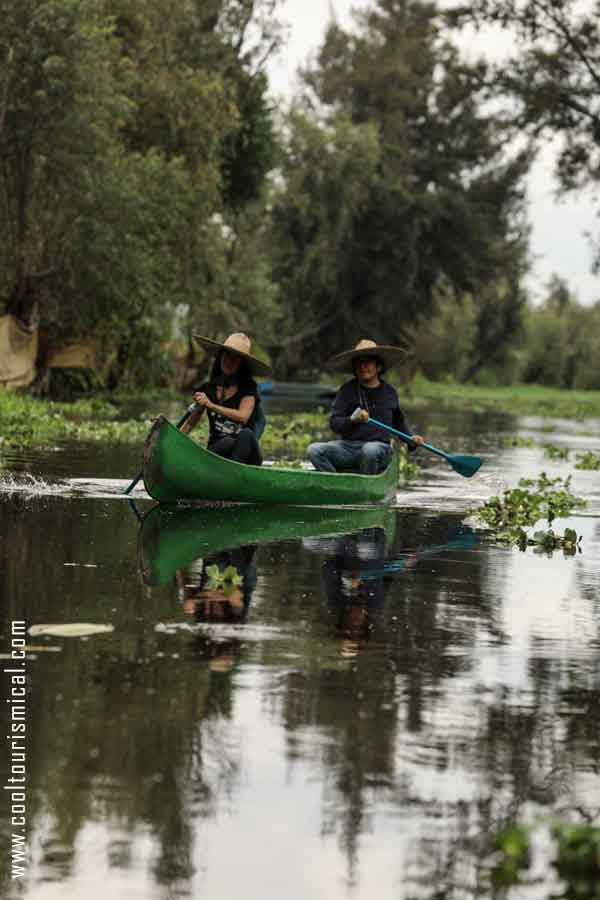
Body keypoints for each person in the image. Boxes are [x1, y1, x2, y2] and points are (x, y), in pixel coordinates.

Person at [307, 339, 424, 475]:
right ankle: (336, 482)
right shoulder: (347, 390)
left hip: (379, 449)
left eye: (367, 362)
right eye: (359, 363)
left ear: (378, 367)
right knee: (314, 450)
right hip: (349, 448)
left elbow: (399, 422)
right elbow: (334, 423)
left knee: (369, 450)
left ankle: (366, 486)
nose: (363, 366)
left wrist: (412, 440)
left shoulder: (390, 392)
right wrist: (352, 420)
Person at [181, 332, 271, 466]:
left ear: (242, 364)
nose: (230, 361)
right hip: (218, 451)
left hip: (247, 456)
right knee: (226, 442)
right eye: (227, 355)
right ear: (220, 356)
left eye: (236, 358)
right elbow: (189, 424)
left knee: (246, 434)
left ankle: (233, 476)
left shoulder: (249, 388)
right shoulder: (208, 389)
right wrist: (171, 438)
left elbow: (243, 416)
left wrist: (210, 405)